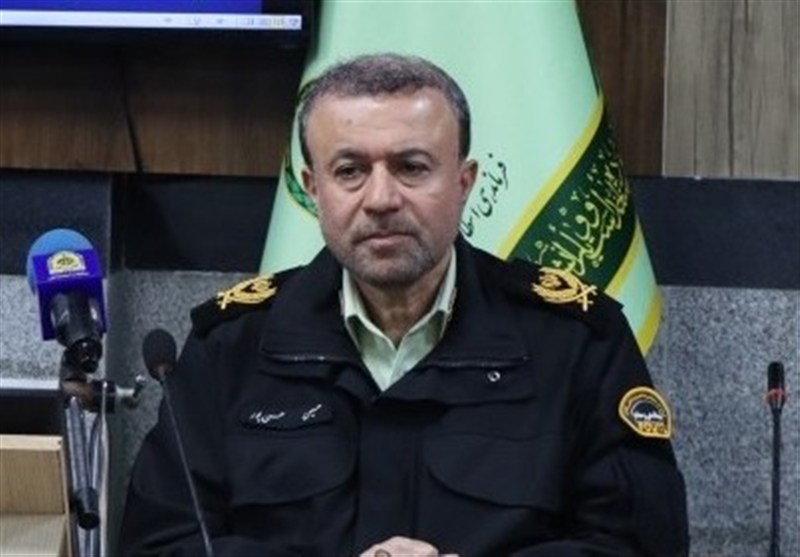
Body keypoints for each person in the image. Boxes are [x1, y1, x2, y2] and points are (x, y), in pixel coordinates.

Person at [119, 53, 688, 556]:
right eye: (350, 171)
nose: (381, 198)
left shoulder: (578, 343)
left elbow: (639, 544)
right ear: (313, 189)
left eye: (411, 167)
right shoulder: (231, 347)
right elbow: (161, 544)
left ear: (464, 182)